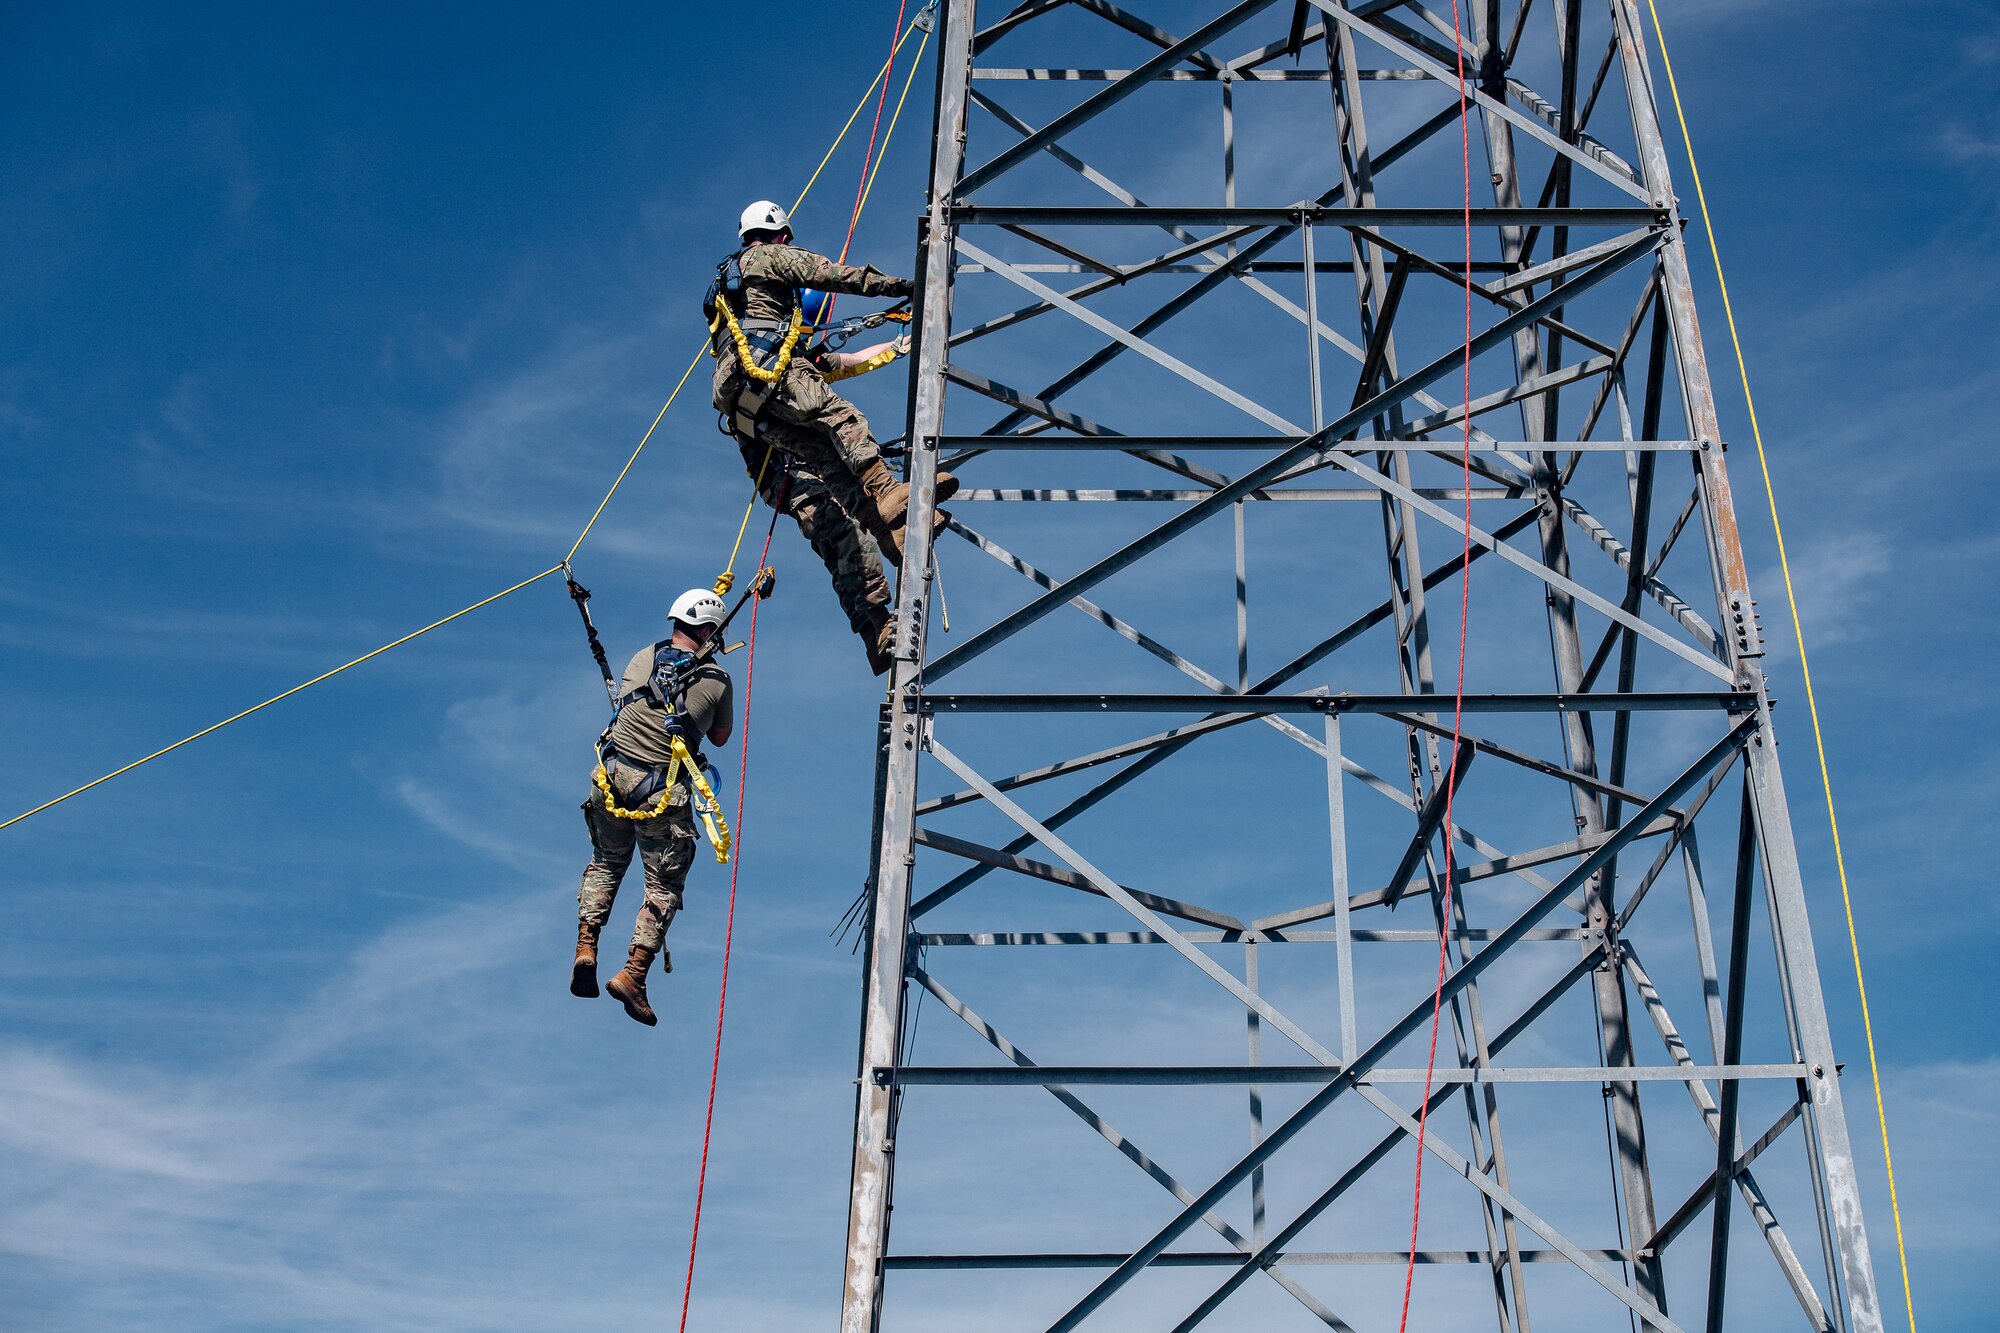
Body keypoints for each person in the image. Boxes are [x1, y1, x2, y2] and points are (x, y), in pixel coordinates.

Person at [707, 199, 956, 673]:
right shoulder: (770, 258)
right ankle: (886, 496)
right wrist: (905, 287)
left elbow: (834, 363)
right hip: (773, 427)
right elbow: (832, 274)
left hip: (747, 406)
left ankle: (889, 537)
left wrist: (899, 342)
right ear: (779, 233)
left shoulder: (736, 305)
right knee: (843, 420)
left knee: (829, 462)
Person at [572, 588, 735, 1027]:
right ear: (707, 630)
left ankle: (586, 947)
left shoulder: (641, 657)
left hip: (611, 778)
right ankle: (634, 974)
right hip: (656, 792)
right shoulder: (717, 681)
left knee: (606, 863)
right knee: (662, 886)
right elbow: (720, 738)